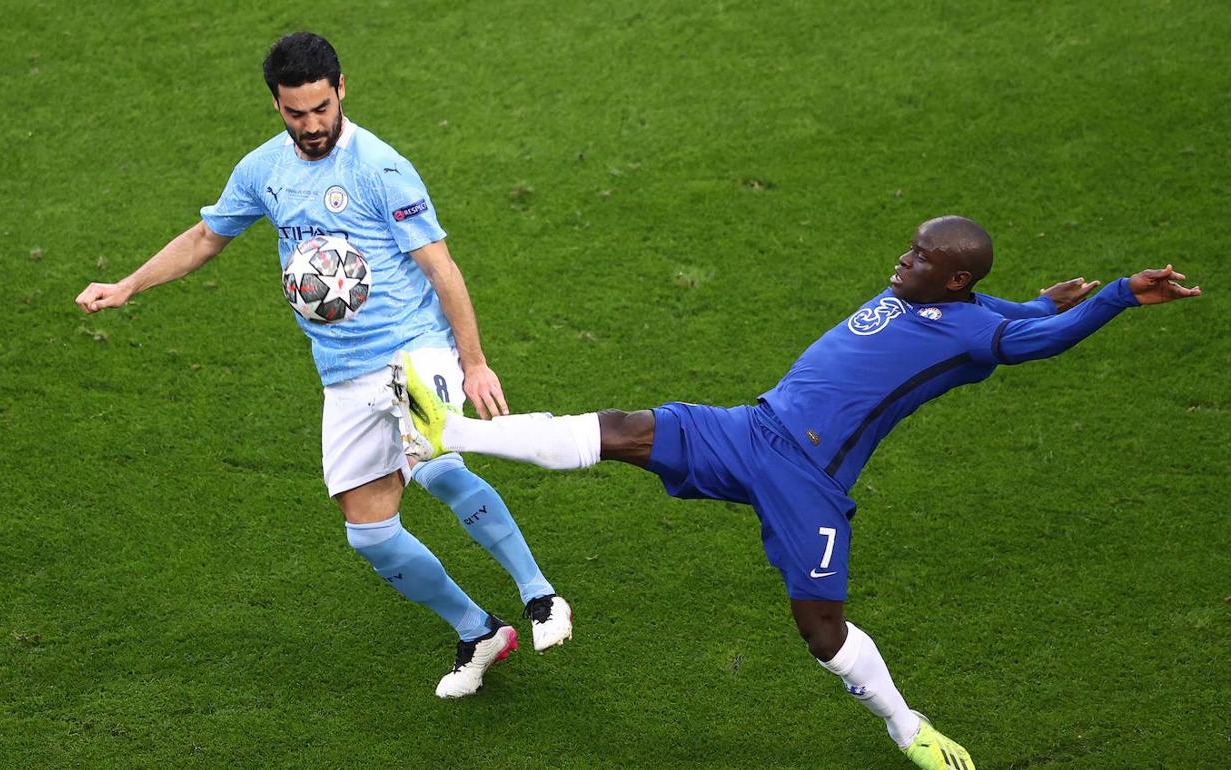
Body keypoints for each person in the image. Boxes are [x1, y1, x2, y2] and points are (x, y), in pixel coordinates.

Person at [398, 215, 1200, 768]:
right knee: (621, 428)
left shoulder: (970, 327)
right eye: (908, 248)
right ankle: (451, 434)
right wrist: (1033, 301)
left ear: (950, 277)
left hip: (807, 482)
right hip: (753, 428)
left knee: (819, 630)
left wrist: (1117, 296)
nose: (902, 260)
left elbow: (1032, 340)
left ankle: (906, 725)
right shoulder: (952, 300)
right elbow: (1009, 313)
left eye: (919, 257)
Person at [74, 31, 572, 699]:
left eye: (320, 110)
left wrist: (474, 363)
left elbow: (441, 268)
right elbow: (205, 237)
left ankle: (541, 595)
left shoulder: (380, 168)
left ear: (341, 90)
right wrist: (128, 285)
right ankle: (479, 630)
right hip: (343, 373)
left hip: (414, 347)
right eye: (294, 113)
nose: (310, 126)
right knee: (371, 536)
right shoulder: (263, 171)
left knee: (438, 462)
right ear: (276, 105)